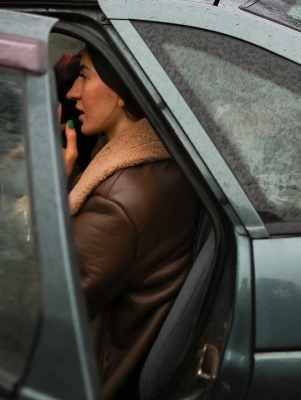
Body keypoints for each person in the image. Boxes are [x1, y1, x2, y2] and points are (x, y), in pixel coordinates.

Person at [59, 47, 200, 399]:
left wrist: (36, 193)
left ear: (121, 90)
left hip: (83, 379)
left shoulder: (124, 200)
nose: (73, 91)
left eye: (85, 75)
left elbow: (42, 298)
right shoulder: (145, 163)